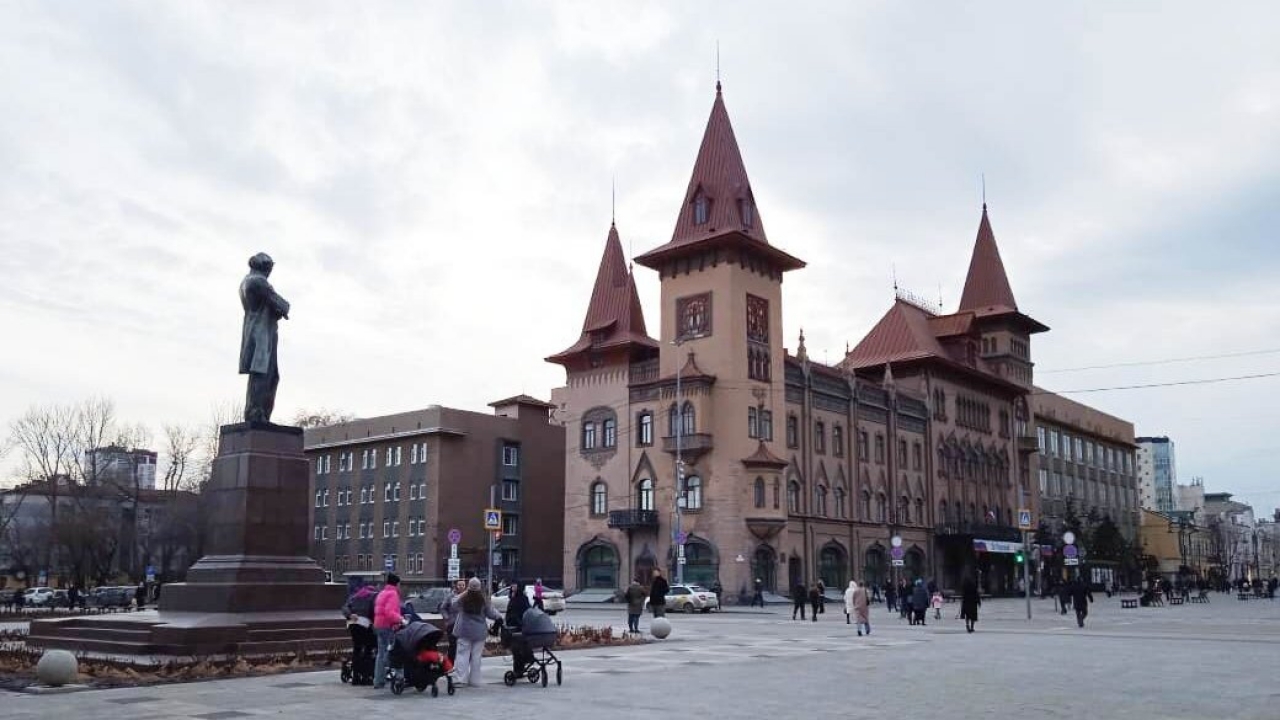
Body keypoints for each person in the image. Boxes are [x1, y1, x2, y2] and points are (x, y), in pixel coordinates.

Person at [238, 252, 290, 423]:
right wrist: (281, 308)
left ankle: (258, 413)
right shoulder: (258, 281)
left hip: (257, 330)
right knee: (264, 374)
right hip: (262, 334)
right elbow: (283, 305)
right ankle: (257, 414)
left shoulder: (247, 281)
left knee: (266, 374)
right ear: (266, 267)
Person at [451, 577, 502, 687]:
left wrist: (464, 593)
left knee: (462, 654)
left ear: (468, 587)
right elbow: (491, 613)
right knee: (476, 656)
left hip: (464, 631)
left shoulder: (463, 598)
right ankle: (475, 679)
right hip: (479, 632)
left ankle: (461, 679)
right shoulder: (483, 599)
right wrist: (499, 617)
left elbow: (453, 604)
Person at [372, 574, 405, 689]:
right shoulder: (393, 594)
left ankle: (378, 680)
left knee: (380, 653)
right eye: (400, 584)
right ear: (397, 583)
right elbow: (389, 612)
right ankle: (398, 676)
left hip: (378, 625)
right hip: (388, 626)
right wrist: (401, 619)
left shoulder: (382, 593)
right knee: (392, 651)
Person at [342, 583, 377, 685]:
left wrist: (350, 615)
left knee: (357, 649)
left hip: (352, 624)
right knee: (368, 649)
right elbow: (373, 611)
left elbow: (344, 608)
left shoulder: (355, 596)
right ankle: (366, 677)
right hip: (364, 624)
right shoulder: (373, 596)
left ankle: (356, 678)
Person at [439, 579, 466, 662]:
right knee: (453, 645)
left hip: (464, 624)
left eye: (463, 585)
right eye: (459, 585)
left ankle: (461, 663)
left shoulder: (467, 596)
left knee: (463, 645)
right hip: (452, 623)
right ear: (456, 586)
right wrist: (447, 618)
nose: (461, 587)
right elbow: (442, 608)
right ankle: (451, 663)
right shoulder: (450, 596)